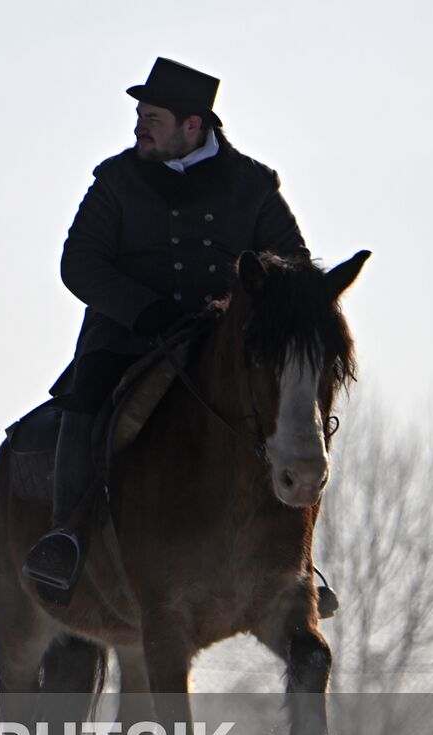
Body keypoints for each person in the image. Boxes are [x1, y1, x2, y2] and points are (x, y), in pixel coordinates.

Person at [21, 58, 309, 603]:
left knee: (284, 413)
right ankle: (65, 536)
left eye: (151, 117)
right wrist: (144, 311)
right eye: (138, 115)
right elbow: (79, 264)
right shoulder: (116, 179)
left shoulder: (253, 185)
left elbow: (292, 265)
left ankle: (298, 561)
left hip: (221, 344)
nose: (138, 127)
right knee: (85, 399)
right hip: (129, 337)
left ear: (193, 126)